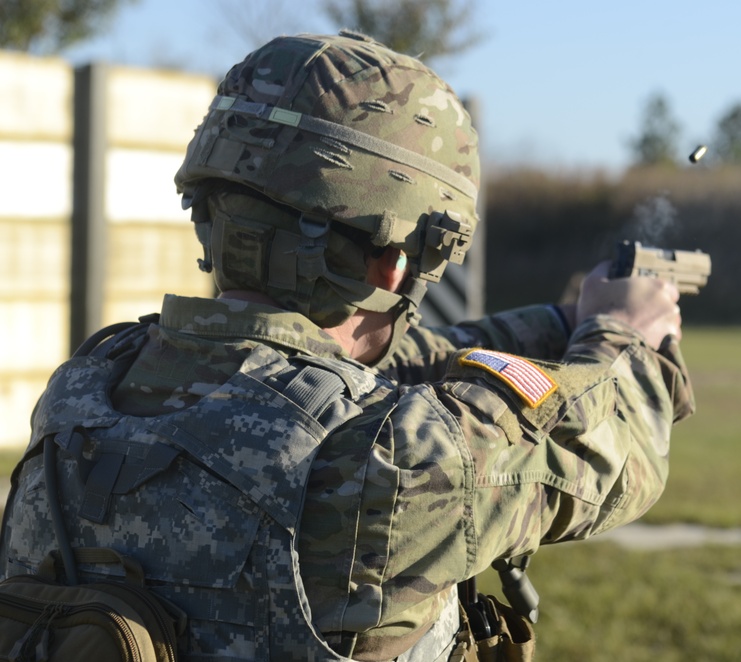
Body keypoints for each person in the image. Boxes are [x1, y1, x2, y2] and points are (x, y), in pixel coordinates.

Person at [0, 31, 694, 661]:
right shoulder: (388, 458)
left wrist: (560, 318)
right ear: (396, 265)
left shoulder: (87, 388)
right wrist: (622, 333)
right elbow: (613, 446)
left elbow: (353, 371)